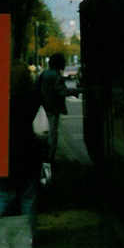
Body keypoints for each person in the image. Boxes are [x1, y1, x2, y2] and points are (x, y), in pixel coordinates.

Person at [0, 60, 42, 218]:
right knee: (28, 198)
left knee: (2, 196)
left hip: (2, 154)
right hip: (27, 153)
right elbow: (42, 130)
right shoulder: (33, 99)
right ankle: (28, 238)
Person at [39, 53, 79, 184]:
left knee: (51, 133)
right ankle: (49, 162)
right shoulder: (56, 76)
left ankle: (48, 161)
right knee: (53, 135)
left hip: (45, 106)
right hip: (53, 108)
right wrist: (76, 91)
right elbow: (61, 91)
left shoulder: (45, 74)